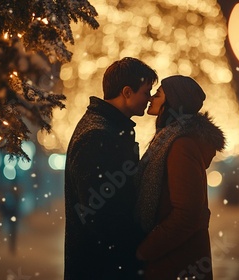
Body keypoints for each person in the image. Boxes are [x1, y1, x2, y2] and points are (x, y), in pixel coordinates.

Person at [64, 57, 158, 279]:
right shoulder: (98, 135)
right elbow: (101, 215)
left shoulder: (108, 128)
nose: (149, 99)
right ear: (127, 92)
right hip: (102, 267)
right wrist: (133, 250)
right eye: (146, 92)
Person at [135, 75, 225, 280]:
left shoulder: (180, 146)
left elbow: (186, 215)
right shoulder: (168, 139)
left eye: (157, 94)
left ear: (173, 102)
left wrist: (144, 250)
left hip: (177, 262)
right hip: (173, 258)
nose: (151, 99)